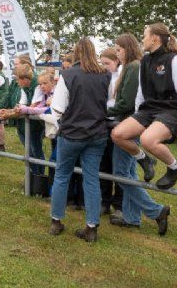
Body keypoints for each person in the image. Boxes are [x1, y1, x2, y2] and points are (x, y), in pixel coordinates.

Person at [111, 22, 177, 190]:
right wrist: (137, 115)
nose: (142, 40)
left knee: (147, 139)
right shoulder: (145, 60)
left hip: (171, 109)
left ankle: (175, 168)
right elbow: (141, 92)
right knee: (117, 134)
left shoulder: (174, 59)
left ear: (155, 38)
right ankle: (144, 159)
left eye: (144, 36)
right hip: (149, 109)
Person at [108, 33, 170, 235]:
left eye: (118, 50)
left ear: (128, 48)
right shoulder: (132, 66)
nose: (117, 54)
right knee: (128, 173)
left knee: (121, 174)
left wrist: (103, 111)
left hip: (129, 125)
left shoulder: (134, 66)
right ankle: (132, 217)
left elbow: (126, 102)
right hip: (128, 123)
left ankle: (156, 211)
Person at [49, 38, 111, 242]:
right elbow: (109, 105)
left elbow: (57, 109)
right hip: (97, 134)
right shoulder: (106, 75)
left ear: (76, 53)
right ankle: (91, 227)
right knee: (91, 179)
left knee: (62, 176)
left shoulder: (67, 75)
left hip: (72, 134)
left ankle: (56, 221)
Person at [99, 48, 123, 216]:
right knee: (104, 163)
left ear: (117, 61)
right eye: (103, 63)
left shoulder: (123, 75)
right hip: (104, 123)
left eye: (107, 63)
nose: (105, 66)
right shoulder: (104, 77)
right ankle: (104, 201)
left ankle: (119, 204)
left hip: (119, 123)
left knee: (119, 165)